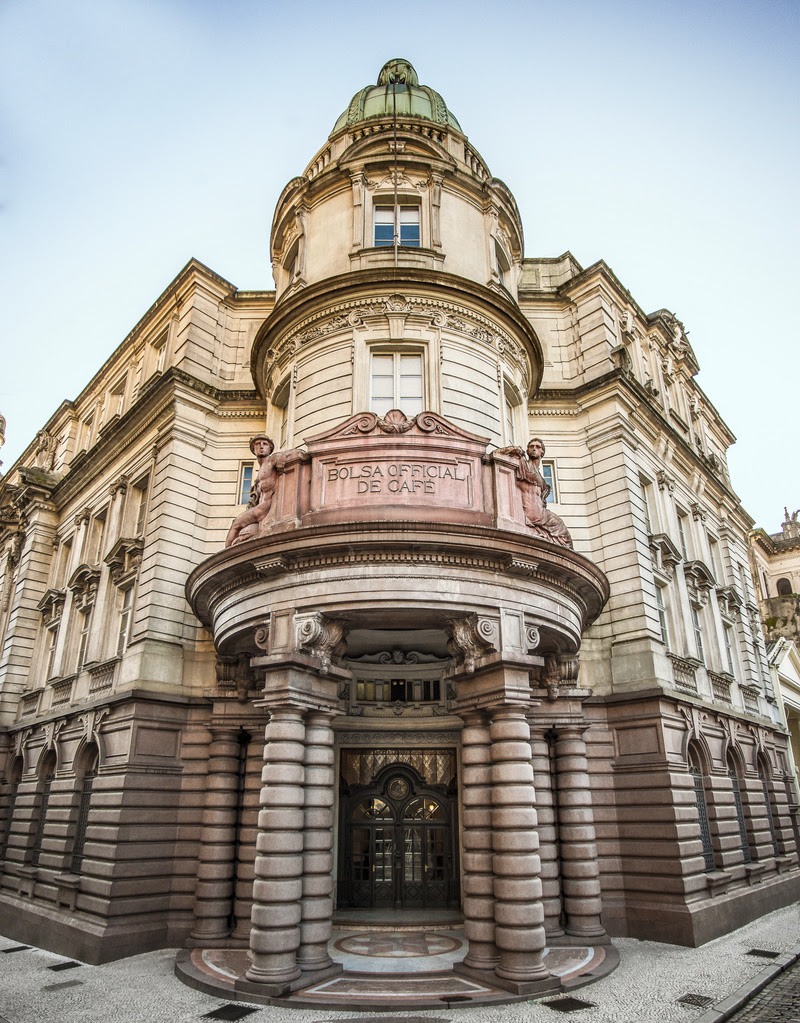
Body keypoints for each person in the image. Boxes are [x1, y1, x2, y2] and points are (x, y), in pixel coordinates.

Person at [496, 438, 573, 548]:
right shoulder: (523, 464)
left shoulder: (540, 477)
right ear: (527, 451)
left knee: (565, 538)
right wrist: (513, 449)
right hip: (533, 513)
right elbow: (497, 454)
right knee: (563, 532)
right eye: (531, 446)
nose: (534, 448)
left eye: (537, 447)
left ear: (542, 452)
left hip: (539, 511)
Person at [225, 435, 285, 547]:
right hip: (260, 506)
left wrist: (279, 457)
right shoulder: (262, 468)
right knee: (237, 527)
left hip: (264, 507)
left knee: (236, 524)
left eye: (265, 444)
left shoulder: (271, 461)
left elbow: (287, 454)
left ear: (270, 449)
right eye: (258, 444)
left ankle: (225, 556)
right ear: (253, 449)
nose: (261, 447)